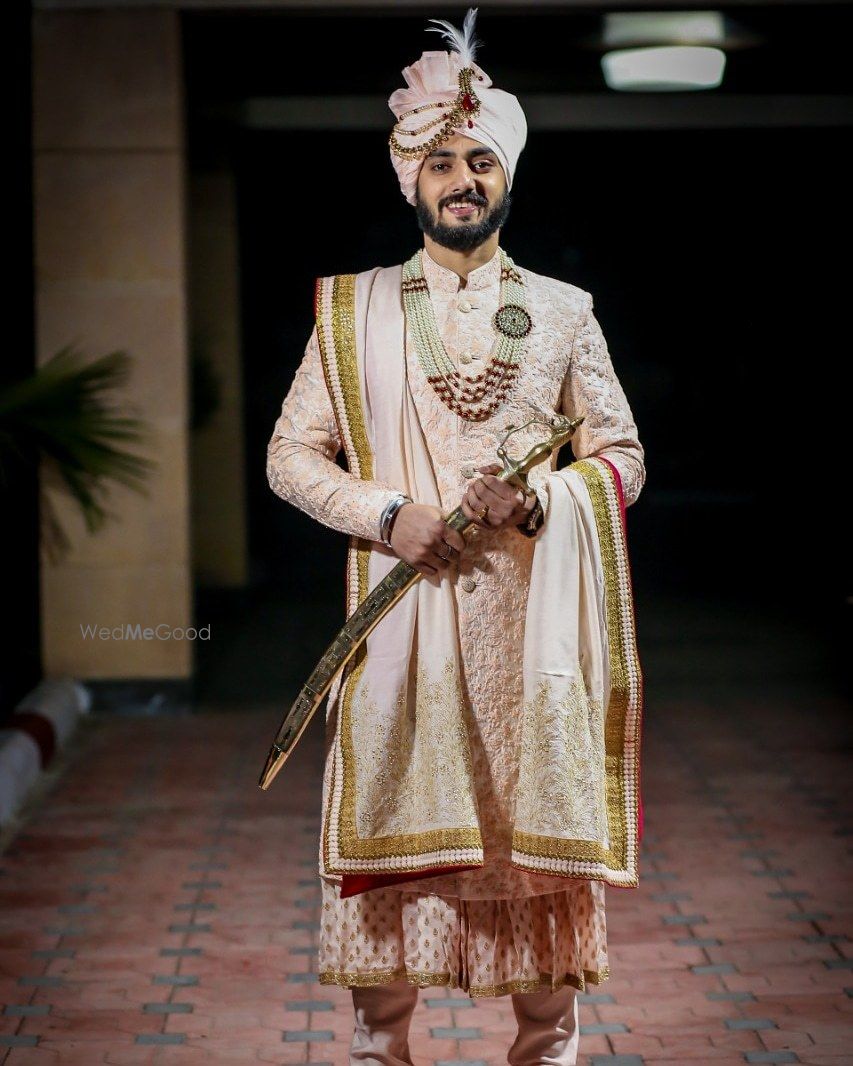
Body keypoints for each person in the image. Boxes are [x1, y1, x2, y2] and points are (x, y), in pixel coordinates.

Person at [266, 9, 645, 1064]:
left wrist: (542, 505)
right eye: (442, 161)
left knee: (540, 895)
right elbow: (290, 457)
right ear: (411, 180)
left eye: (481, 159)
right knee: (392, 900)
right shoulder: (353, 311)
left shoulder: (565, 312)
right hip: (403, 647)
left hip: (534, 649)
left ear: (507, 175)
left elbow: (621, 454)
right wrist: (392, 517)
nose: (462, 178)